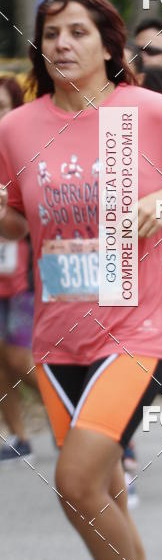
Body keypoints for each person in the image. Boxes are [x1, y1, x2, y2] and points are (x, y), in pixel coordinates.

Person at [0, 0, 162, 560]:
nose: (63, 44)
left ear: (107, 44)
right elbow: (19, 219)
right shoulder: (17, 128)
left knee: (74, 482)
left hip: (135, 326)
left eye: (77, 32)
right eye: (51, 33)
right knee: (105, 493)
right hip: (57, 334)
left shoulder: (151, 113)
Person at [0, 76, 38, 462]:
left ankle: (76, 416)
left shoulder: (29, 152)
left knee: (18, 357)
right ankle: (20, 437)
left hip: (25, 276)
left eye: (1, 107)